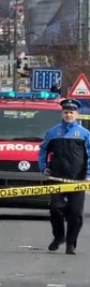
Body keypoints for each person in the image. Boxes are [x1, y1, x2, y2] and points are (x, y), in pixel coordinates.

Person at [38, 98, 90, 254]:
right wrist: (43, 167)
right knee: (55, 209)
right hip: (57, 178)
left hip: (77, 180)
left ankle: (71, 243)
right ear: (62, 113)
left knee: (75, 213)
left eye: (71, 112)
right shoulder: (53, 132)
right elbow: (42, 150)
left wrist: (88, 174)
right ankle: (59, 237)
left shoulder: (84, 134)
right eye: (66, 112)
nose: (68, 115)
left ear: (77, 114)